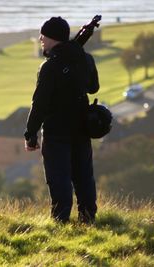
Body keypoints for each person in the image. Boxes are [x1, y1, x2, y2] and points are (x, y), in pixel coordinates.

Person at [24, 17, 99, 224]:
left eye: (43, 36)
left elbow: (39, 104)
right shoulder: (86, 58)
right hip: (82, 128)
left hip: (57, 132)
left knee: (59, 179)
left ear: (52, 38)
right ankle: (88, 220)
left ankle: (60, 222)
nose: (40, 39)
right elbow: (93, 87)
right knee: (84, 177)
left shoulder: (49, 67)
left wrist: (30, 134)